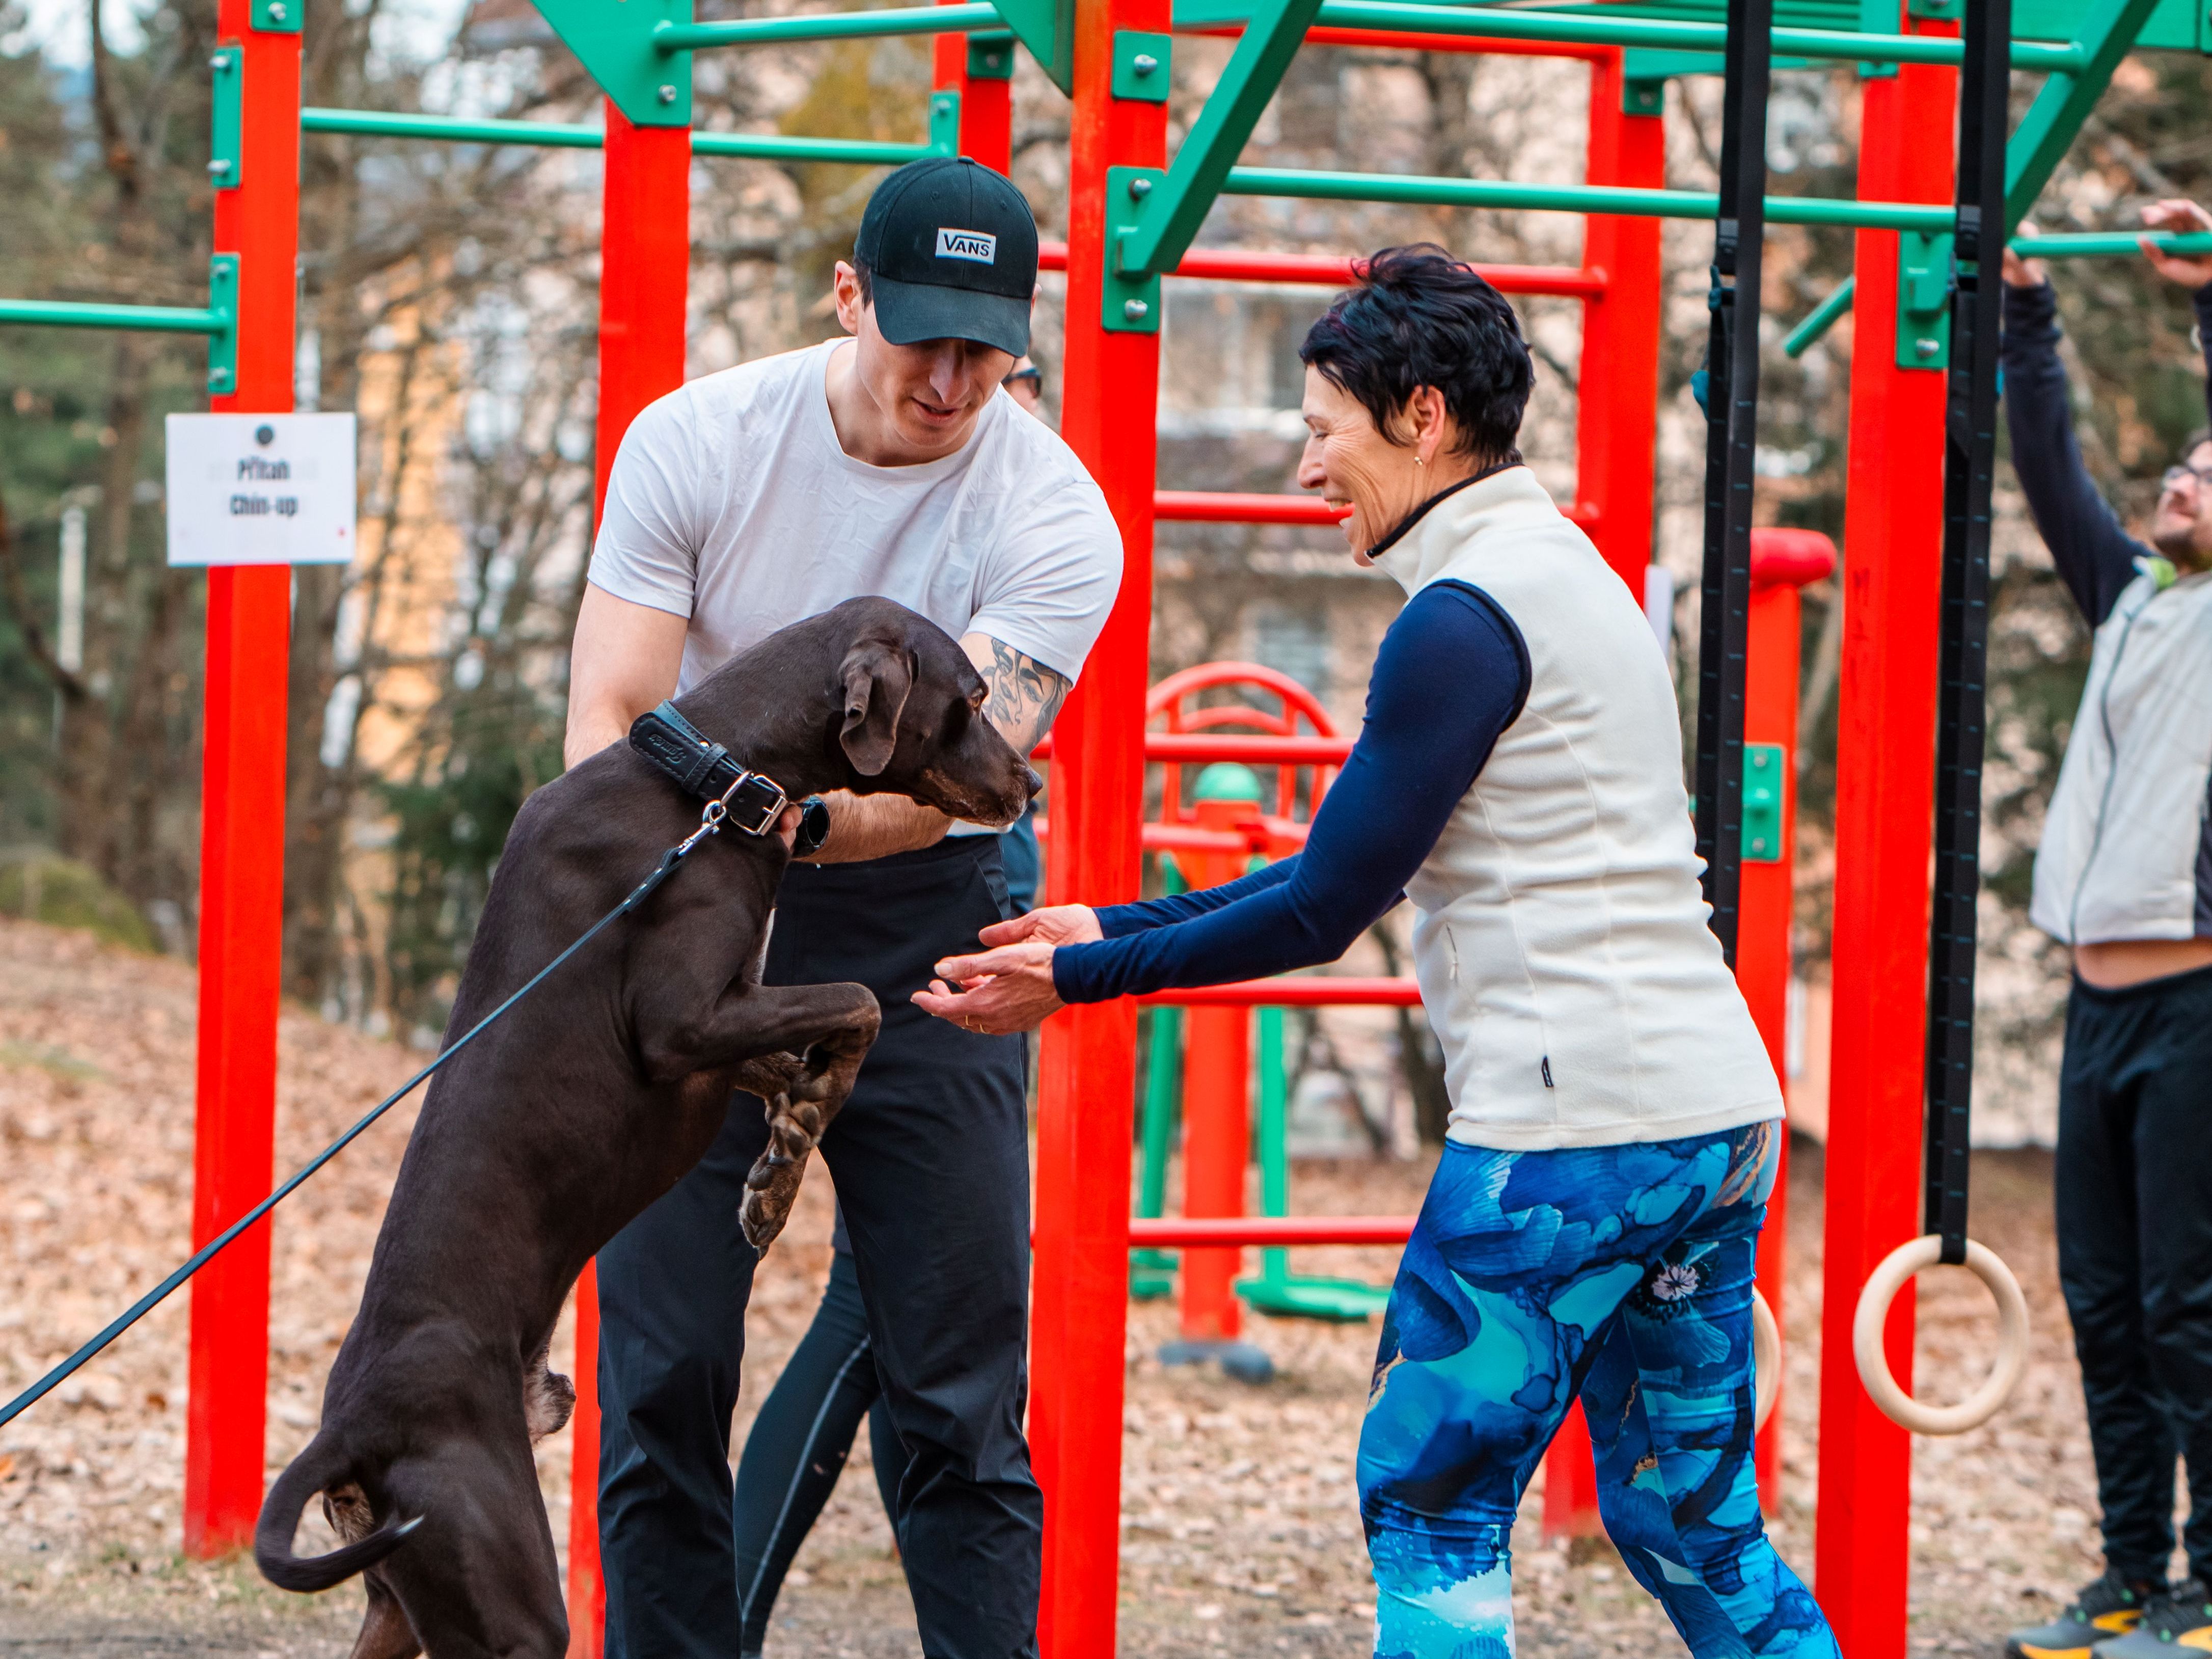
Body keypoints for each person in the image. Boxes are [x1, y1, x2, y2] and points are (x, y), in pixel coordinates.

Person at [913, 243, 1840, 1659]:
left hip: (1571, 1134)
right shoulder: (1559, 572)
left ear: (1420, 415)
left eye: (1322, 430)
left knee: (1430, 1499)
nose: (1305, 469)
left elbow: (1319, 912)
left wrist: (1075, 981)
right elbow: (1345, 867)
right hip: (1712, 1116)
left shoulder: (1460, 623)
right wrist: (1105, 924)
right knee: (1691, 1525)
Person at [564, 155, 1121, 1659]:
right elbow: (612, 709)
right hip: (694, 908)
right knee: (663, 1368)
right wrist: (708, 857)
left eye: (984, 348)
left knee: (957, 1389)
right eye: (919, 334)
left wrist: (788, 819)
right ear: (849, 294)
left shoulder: (1057, 516)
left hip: (930, 921)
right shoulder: (699, 441)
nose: (949, 380)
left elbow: (949, 779)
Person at [726, 351, 1054, 1658]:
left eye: (1005, 384)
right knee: (879, 1329)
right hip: (855, 884)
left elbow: (1001, 727)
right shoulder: (807, 487)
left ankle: (729, 1619)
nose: (969, 403)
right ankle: (720, 1620)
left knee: (902, 1337)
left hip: (969, 877)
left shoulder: (1029, 509)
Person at [1999, 201, 2212, 1659]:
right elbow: (2052, 473)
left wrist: (2209, 292)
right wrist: (2026, 314)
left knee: (2191, 1308)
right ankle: (2132, 1569)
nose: (2187, 479)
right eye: (2185, 467)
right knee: (2103, 1308)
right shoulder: (2132, 602)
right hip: (2098, 1004)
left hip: (2201, 1002)